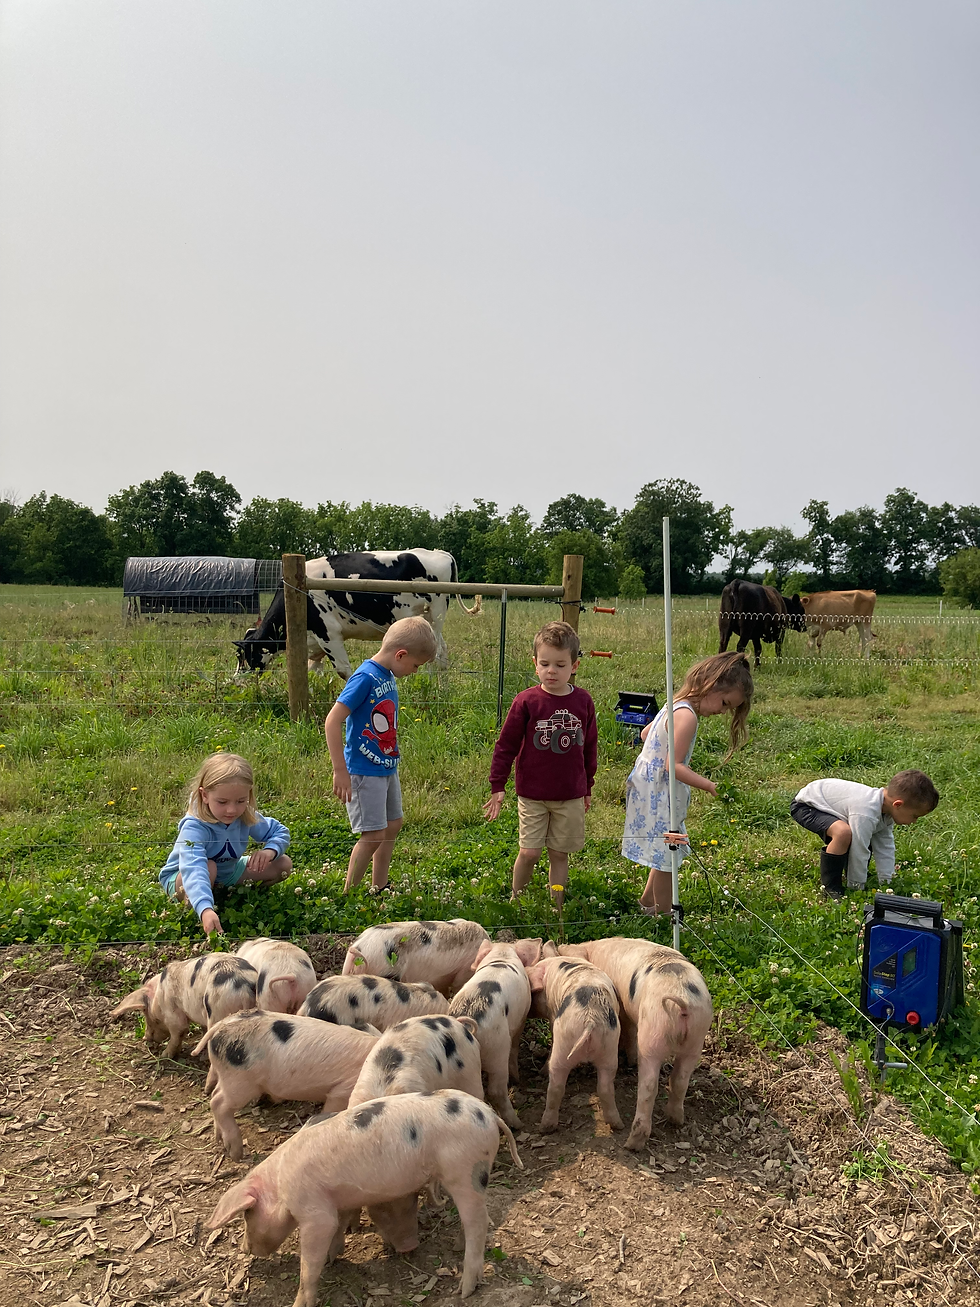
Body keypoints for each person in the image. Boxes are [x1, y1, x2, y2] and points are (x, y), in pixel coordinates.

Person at [622, 651, 754, 916]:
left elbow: (647, 732)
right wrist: (710, 786)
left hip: (646, 788)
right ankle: (662, 914)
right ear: (710, 684)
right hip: (660, 792)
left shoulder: (675, 703)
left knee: (663, 850)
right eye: (725, 703)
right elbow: (675, 765)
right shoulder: (688, 716)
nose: (722, 711)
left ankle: (648, 903)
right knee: (668, 854)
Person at [484, 620, 598, 906]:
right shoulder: (526, 701)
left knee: (559, 853)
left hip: (570, 794)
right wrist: (498, 785)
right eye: (545, 663)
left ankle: (555, 906)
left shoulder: (583, 701)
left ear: (574, 666)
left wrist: (587, 787)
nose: (552, 671)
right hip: (532, 794)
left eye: (560, 665)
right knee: (530, 852)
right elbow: (506, 745)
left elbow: (590, 747)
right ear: (535, 664)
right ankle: (517, 899)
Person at [325, 615, 437, 894]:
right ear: (400, 654)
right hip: (363, 771)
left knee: (392, 825)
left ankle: (380, 885)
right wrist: (340, 770)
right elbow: (333, 720)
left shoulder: (386, 674)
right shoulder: (365, 677)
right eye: (415, 665)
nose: (414, 671)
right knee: (373, 834)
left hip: (386, 766)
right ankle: (348, 893)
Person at [159, 753, 292, 935]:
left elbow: (279, 831)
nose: (232, 809)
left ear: (249, 795)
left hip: (227, 873)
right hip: (182, 878)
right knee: (209, 867)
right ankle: (201, 907)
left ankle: (224, 894)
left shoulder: (245, 815)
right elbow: (194, 867)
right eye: (222, 802)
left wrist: (269, 851)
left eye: (240, 801)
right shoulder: (194, 826)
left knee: (282, 864)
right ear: (204, 795)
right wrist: (205, 909)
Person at [791, 770, 940, 900]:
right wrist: (857, 887)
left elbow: (885, 846)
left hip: (831, 805)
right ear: (898, 805)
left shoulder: (887, 812)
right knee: (843, 833)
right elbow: (859, 849)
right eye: (915, 816)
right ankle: (831, 888)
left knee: (860, 835)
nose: (914, 822)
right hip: (808, 804)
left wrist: (887, 881)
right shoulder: (866, 812)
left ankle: (850, 878)